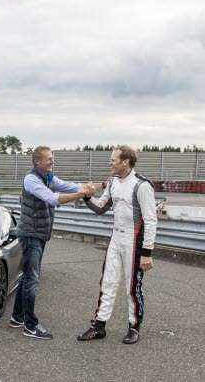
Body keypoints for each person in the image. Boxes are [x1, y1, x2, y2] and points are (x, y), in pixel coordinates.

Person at [10, 146, 99, 340]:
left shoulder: (49, 178)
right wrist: (81, 195)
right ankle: (30, 326)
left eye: (52, 158)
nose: (52, 161)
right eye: (49, 159)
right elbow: (52, 198)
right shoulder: (31, 179)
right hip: (31, 235)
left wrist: (94, 186)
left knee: (27, 277)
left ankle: (17, 317)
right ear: (37, 162)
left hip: (39, 234)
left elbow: (70, 185)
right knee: (32, 279)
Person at [77, 145, 157, 344]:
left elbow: (151, 220)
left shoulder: (142, 185)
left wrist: (147, 252)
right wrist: (87, 196)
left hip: (135, 241)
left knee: (133, 287)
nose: (109, 163)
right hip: (116, 238)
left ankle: (134, 326)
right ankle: (100, 326)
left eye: (113, 160)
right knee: (108, 282)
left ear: (125, 162)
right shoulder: (112, 182)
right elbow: (101, 208)